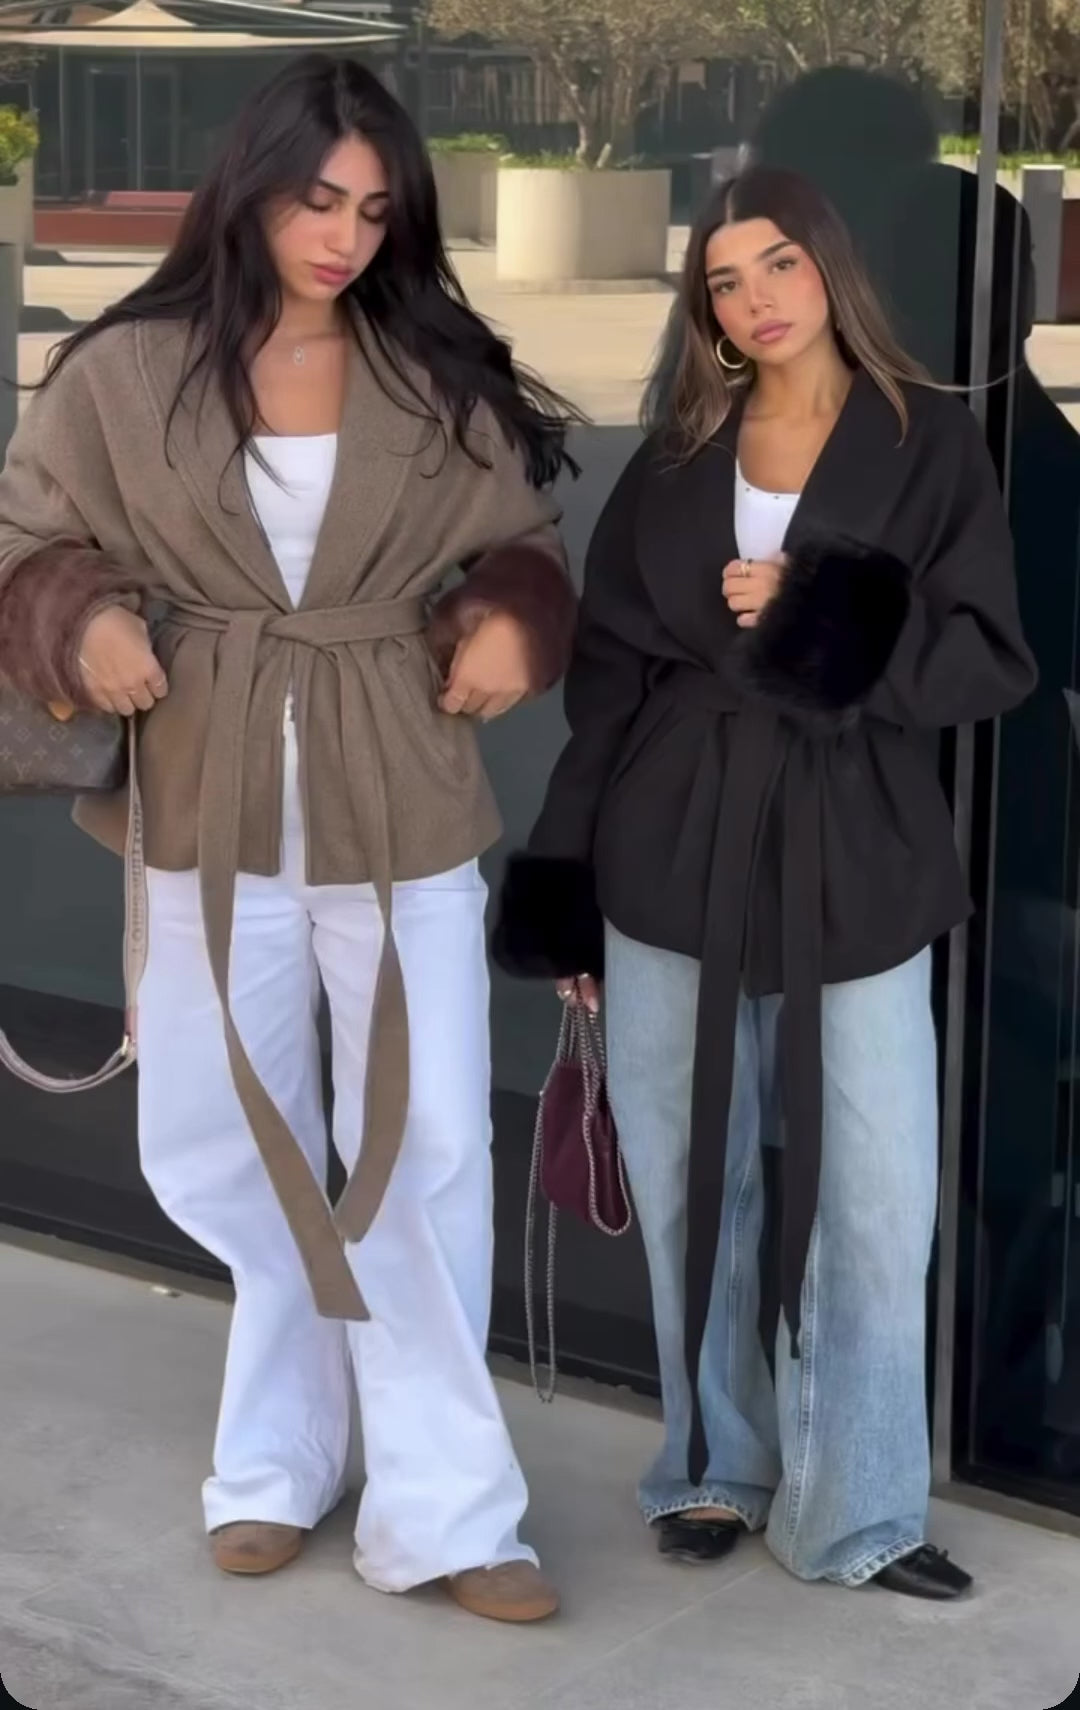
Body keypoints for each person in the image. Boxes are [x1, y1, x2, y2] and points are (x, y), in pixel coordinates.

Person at [0, 55, 579, 1624]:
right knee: (215, 1133)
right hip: (207, 796)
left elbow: (522, 545)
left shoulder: (432, 373)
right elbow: (24, 538)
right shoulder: (121, 371)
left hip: (402, 799)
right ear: (249, 187)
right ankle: (281, 1447)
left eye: (375, 211)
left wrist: (514, 617)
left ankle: (449, 1505)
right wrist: (82, 615)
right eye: (319, 200)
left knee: (429, 1142)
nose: (344, 237)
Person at [494, 166, 1036, 1598]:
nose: (756, 301)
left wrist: (821, 615)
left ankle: (859, 1505)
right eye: (725, 282)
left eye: (780, 263)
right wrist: (567, 880)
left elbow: (991, 658)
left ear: (831, 265)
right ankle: (710, 1466)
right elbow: (608, 686)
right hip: (669, 842)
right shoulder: (680, 451)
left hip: (857, 846)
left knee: (878, 1196)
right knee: (691, 1176)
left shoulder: (931, 441)